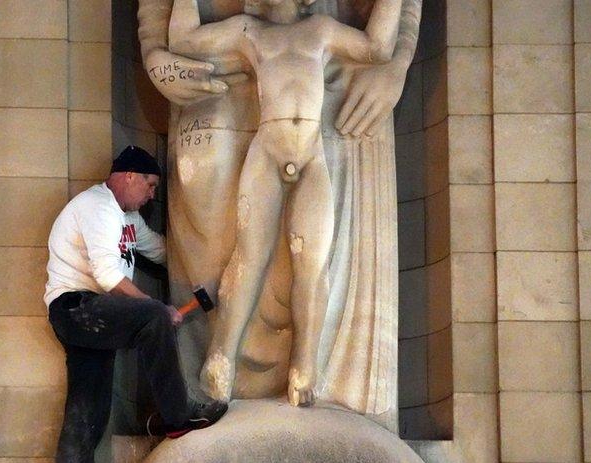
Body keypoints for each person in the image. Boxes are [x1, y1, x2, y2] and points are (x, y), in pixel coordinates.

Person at [138, 0, 420, 432]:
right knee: (250, 257)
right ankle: (221, 356)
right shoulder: (249, 31)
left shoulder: (323, 29)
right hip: (266, 153)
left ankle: (304, 361)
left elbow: (377, 48)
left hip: (311, 157)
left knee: (310, 260)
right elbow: (184, 41)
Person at [43, 145, 228, 463]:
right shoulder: (98, 207)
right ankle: (178, 417)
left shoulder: (128, 217)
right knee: (151, 318)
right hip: (77, 308)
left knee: (88, 412)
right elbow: (108, 276)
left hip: (93, 316)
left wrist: (215, 264)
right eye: (149, 184)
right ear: (128, 176)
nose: (151, 195)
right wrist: (160, 310)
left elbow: (161, 251)